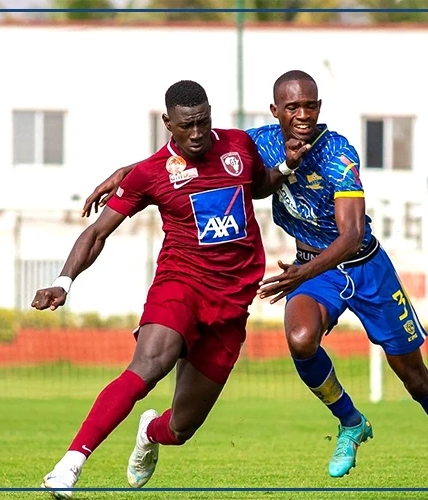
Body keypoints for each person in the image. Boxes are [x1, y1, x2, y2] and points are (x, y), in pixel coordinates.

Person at [82, 70, 428, 479]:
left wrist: (301, 272)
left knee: (413, 376)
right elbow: (191, 149)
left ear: (319, 108)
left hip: (366, 266)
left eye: (311, 105)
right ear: (275, 111)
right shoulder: (260, 142)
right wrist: (126, 172)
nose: (303, 114)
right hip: (313, 269)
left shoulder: (339, 154)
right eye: (293, 107)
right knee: (301, 339)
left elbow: (352, 234)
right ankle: (351, 422)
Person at [35, 80, 293, 498]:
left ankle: (149, 435)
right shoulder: (150, 174)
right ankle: (69, 464)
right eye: (187, 125)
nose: (197, 134)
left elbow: (256, 182)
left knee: (181, 427)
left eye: (204, 122)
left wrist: (283, 169)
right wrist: (64, 282)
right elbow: (98, 232)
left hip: (232, 302)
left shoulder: (239, 145)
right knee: (150, 365)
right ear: (167, 123)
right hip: (181, 284)